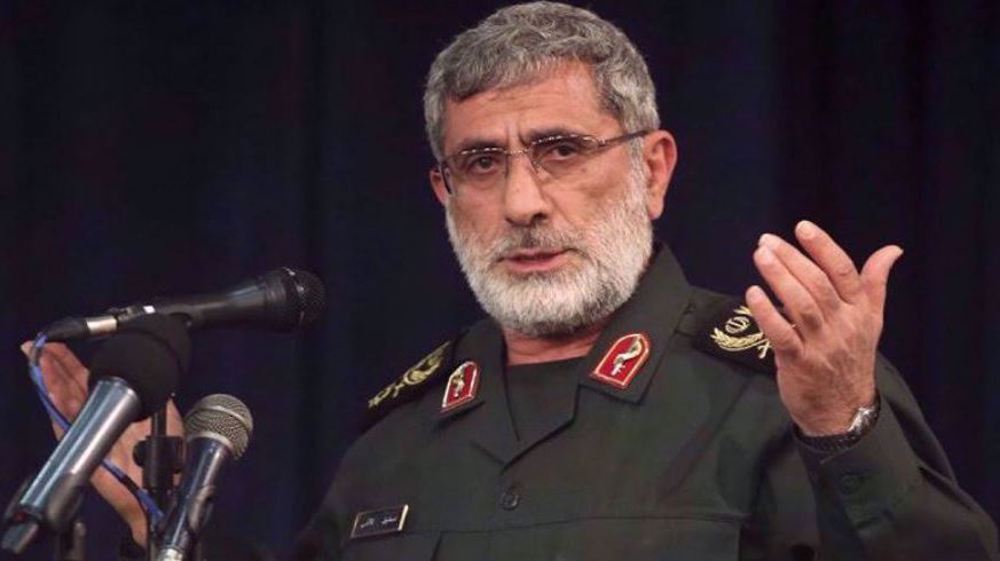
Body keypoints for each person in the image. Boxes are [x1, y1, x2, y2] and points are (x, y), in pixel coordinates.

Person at [27, 2, 998, 560]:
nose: (523, 200)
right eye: (482, 164)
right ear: (442, 192)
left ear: (653, 169)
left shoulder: (781, 392)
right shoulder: (398, 440)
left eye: (560, 149)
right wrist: (170, 508)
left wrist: (846, 431)